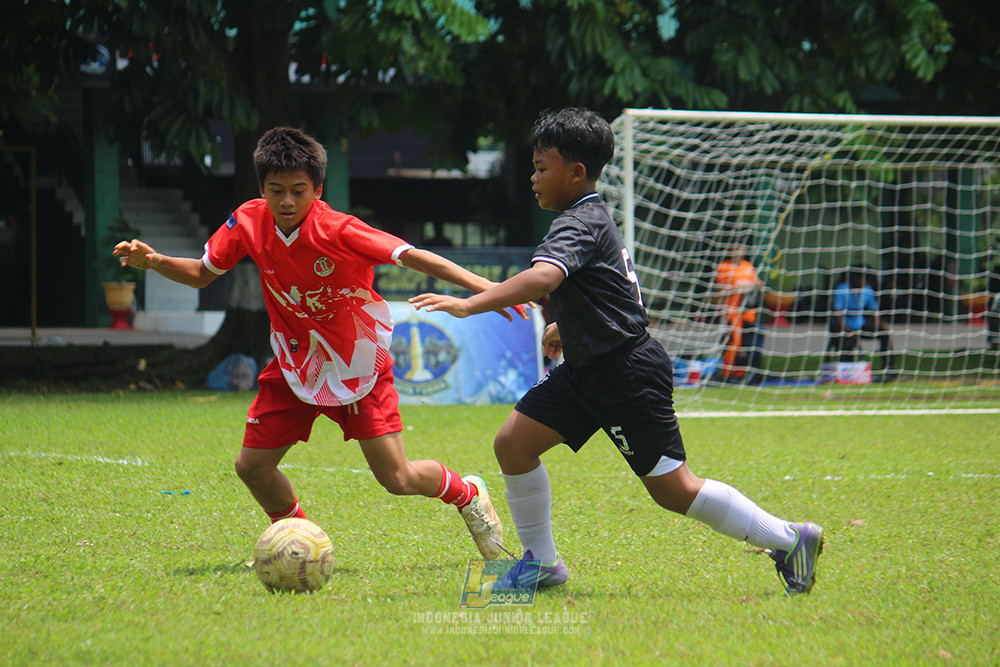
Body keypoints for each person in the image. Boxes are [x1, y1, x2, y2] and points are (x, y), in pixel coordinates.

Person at [410, 108, 825, 595]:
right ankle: (541, 563)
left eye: (542, 167)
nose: (533, 177)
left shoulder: (577, 221)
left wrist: (470, 305)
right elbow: (610, 289)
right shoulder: (590, 218)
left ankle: (790, 538)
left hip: (626, 373)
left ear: (576, 172)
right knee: (513, 444)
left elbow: (545, 277)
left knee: (674, 490)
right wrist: (569, 325)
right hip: (587, 368)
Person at [113, 126, 521, 559]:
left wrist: (482, 286)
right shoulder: (248, 221)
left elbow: (411, 254)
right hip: (296, 365)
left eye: (298, 191)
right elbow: (200, 273)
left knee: (397, 479)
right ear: (262, 189)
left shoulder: (339, 230)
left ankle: (467, 493)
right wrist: (155, 262)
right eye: (276, 190)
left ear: (318, 190)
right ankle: (301, 541)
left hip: (357, 364)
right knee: (252, 467)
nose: (287, 201)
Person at [826, 266, 896, 378]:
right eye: (865, 279)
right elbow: (837, 312)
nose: (866, 283)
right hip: (841, 326)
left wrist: (880, 323)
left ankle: (889, 369)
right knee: (846, 339)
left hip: (859, 324)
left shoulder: (867, 290)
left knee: (884, 333)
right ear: (856, 278)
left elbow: (874, 310)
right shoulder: (842, 290)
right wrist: (847, 330)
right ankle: (845, 372)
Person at [714, 244, 765, 385]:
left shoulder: (748, 266)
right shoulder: (724, 267)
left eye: (741, 251)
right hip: (733, 310)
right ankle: (727, 374)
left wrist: (756, 285)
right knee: (734, 342)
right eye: (735, 250)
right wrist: (737, 288)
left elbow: (757, 283)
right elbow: (719, 288)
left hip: (748, 311)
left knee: (750, 343)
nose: (738, 253)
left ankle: (744, 374)